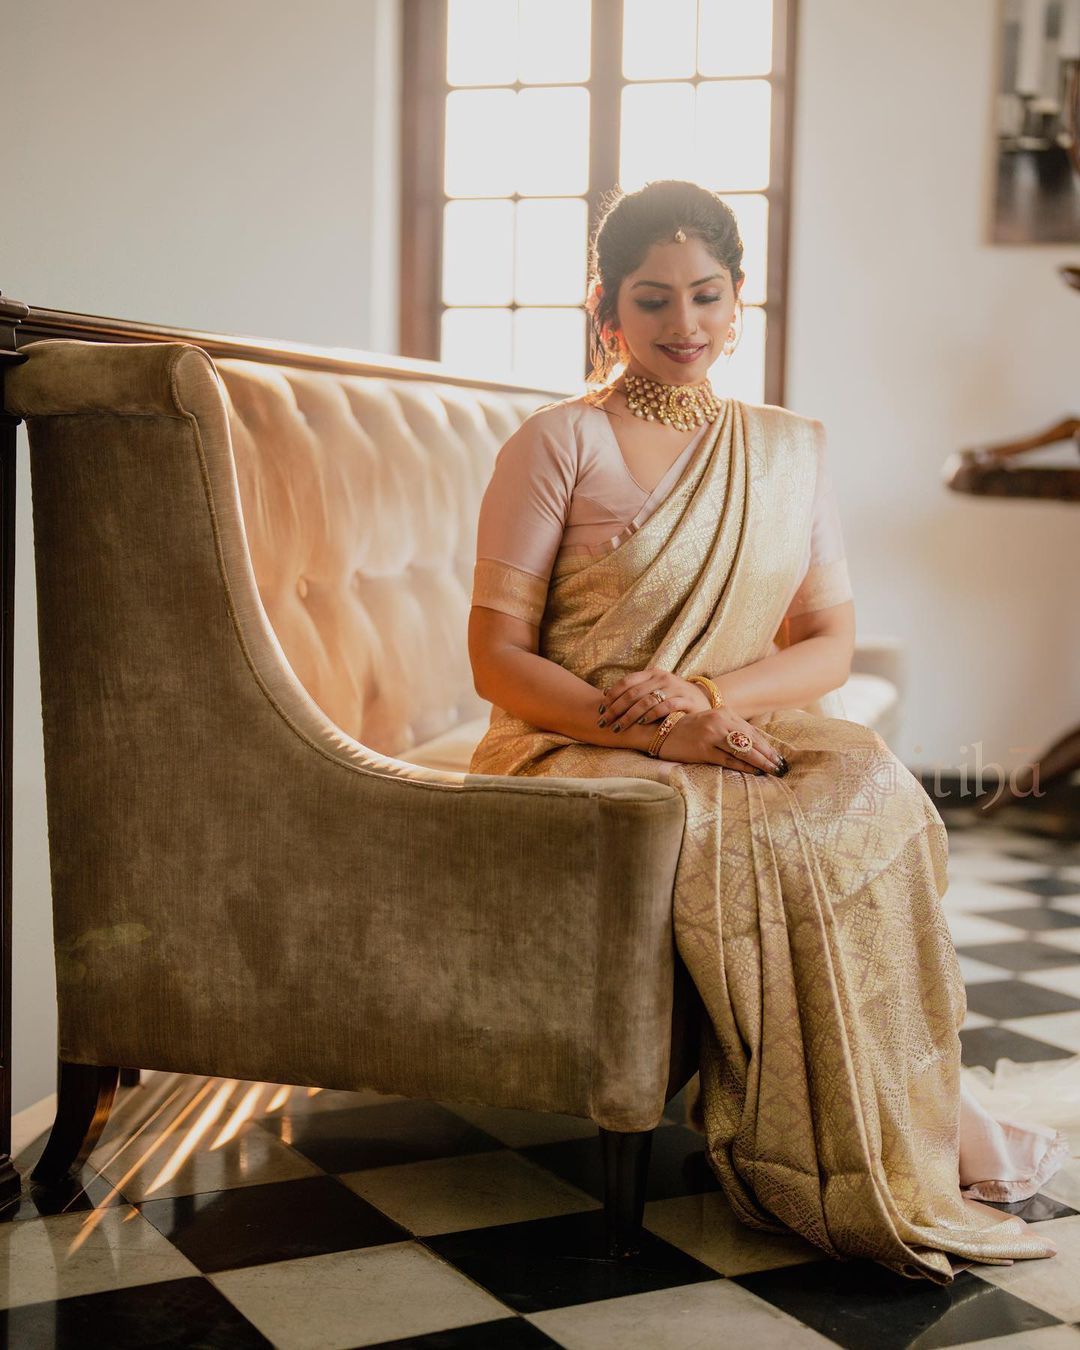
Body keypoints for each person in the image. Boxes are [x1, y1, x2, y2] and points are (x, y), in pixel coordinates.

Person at [466, 178, 1070, 1283]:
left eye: (705, 296)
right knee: (781, 830)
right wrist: (656, 732)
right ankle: (832, 1152)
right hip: (578, 732)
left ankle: (906, 1124)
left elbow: (830, 645)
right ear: (607, 309)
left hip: (724, 717)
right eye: (652, 301)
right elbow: (496, 659)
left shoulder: (787, 448)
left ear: (741, 301)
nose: (682, 326)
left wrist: (708, 704)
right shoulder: (557, 442)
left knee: (871, 791)